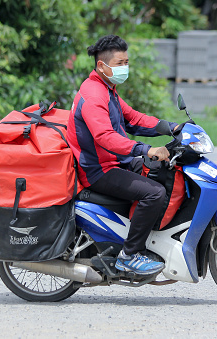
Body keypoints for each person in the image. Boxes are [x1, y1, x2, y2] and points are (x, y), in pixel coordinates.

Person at [67, 35, 177, 275]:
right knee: (154, 193)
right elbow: (104, 136)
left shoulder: (108, 89)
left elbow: (133, 119)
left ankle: (147, 238)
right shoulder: (94, 94)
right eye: (119, 63)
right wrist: (145, 149)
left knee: (164, 170)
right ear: (101, 66)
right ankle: (129, 255)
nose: (124, 68)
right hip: (99, 170)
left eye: (126, 62)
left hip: (116, 161)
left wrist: (171, 127)